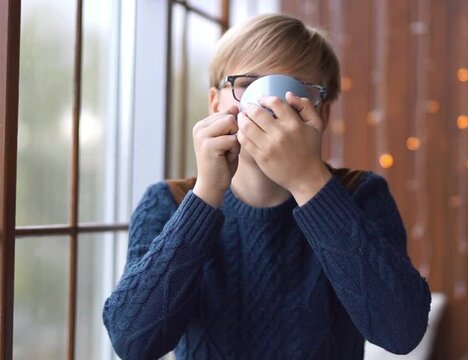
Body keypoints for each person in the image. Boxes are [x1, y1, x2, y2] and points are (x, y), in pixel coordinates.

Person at [102, 13, 431, 360]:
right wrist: (207, 194)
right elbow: (132, 343)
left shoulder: (360, 195)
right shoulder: (170, 203)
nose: (271, 105)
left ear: (323, 113)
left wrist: (309, 182)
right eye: (248, 84)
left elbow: (401, 332)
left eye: (296, 91)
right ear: (216, 103)